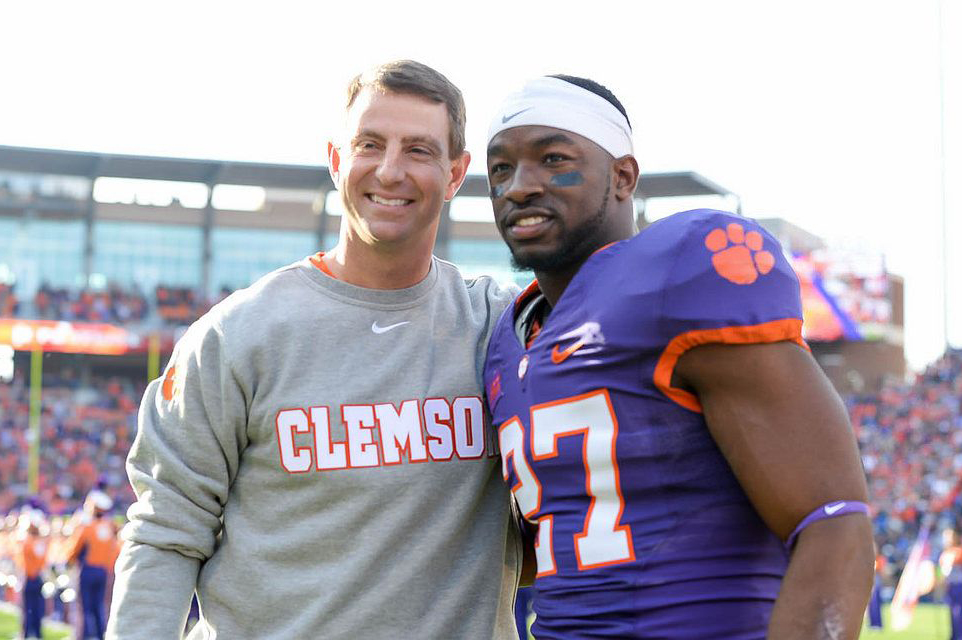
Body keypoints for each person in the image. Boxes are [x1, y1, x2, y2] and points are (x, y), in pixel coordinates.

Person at [107, 60, 521, 639]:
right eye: (369, 145)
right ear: (336, 160)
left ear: (456, 174)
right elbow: (164, 534)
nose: (390, 170)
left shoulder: (500, 329)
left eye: (419, 150)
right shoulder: (235, 336)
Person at [482, 75, 875, 639]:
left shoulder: (680, 269)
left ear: (623, 176)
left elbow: (833, 523)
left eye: (553, 159)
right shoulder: (505, 342)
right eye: (501, 169)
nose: (519, 186)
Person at [65, 491, 120, 640]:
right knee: (99, 607)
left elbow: (73, 550)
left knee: (83, 607)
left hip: (87, 570)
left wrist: (68, 561)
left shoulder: (86, 527)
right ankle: (101, 636)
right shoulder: (109, 526)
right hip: (103, 571)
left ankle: (81, 636)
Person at [14, 509, 48, 640]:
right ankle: (36, 634)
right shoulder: (40, 541)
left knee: (27, 608)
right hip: (37, 577)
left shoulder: (27, 541)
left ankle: (27, 634)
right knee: (36, 608)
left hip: (29, 578)